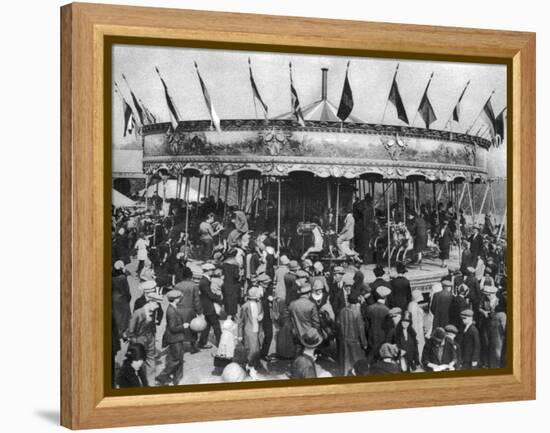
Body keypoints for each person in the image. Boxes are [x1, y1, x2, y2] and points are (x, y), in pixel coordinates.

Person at [126, 292, 163, 384]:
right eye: (156, 304)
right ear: (150, 302)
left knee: (151, 359)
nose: (157, 306)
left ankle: (150, 381)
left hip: (150, 338)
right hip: (139, 339)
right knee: (139, 360)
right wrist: (136, 342)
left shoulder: (152, 310)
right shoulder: (138, 313)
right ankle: (139, 381)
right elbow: (131, 331)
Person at [156, 290, 189, 386]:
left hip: (177, 338)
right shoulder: (171, 311)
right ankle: (161, 377)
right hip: (174, 338)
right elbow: (173, 328)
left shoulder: (173, 307)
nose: (180, 299)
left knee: (179, 358)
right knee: (176, 360)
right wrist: (184, 326)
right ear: (175, 299)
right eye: (179, 298)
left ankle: (177, 378)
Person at [337, 290, 368, 375]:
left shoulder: (342, 311)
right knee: (355, 361)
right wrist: (364, 343)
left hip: (344, 340)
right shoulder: (357, 313)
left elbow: (338, 324)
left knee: (346, 361)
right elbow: (361, 329)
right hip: (354, 341)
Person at [174, 266, 203, 353]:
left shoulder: (177, 285)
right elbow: (196, 300)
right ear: (190, 276)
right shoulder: (194, 286)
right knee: (192, 329)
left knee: (180, 328)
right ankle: (193, 347)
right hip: (190, 310)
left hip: (179, 309)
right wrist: (199, 312)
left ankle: (179, 346)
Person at [288, 283, 321, 353]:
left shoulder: (292, 304)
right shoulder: (311, 305)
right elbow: (316, 322)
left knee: (298, 351)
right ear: (309, 293)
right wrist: (317, 333)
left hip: (296, 333)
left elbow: (289, 319)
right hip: (309, 334)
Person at [197, 263, 223, 348]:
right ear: (207, 271)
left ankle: (202, 342)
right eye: (211, 270)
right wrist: (218, 298)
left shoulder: (205, 280)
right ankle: (220, 343)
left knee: (207, 325)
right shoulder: (205, 281)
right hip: (209, 306)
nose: (213, 271)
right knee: (216, 326)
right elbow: (209, 294)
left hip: (206, 306)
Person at [240, 286, 264, 374]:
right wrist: (239, 335)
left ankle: (253, 363)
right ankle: (249, 365)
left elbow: (261, 312)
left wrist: (261, 315)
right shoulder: (245, 306)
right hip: (249, 329)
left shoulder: (259, 304)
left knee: (257, 348)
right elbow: (241, 322)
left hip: (257, 328)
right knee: (251, 349)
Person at [364, 285, 392, 363]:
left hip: (371, 335)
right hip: (382, 337)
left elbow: (366, 326)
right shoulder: (387, 310)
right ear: (385, 297)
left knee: (370, 356)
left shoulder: (369, 308)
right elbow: (389, 328)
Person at [112, 260, 131, 338]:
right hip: (122, 299)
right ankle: (123, 333)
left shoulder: (112, 277)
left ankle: (117, 332)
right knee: (124, 317)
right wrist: (129, 298)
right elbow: (126, 290)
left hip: (114, 298)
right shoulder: (122, 278)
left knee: (117, 315)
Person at [221, 249, 241, 319]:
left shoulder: (224, 264)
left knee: (227, 300)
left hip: (226, 284)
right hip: (233, 285)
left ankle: (228, 315)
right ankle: (232, 316)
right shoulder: (235, 265)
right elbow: (236, 276)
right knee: (233, 302)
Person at [407, 289, 426, 357]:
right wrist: (416, 334)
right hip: (417, 330)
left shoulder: (412, 304)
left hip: (418, 328)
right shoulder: (414, 306)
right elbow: (414, 320)